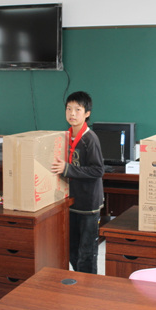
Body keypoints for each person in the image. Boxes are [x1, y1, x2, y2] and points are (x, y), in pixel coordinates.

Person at [51, 91, 104, 274]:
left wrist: (67, 169)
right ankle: (80, 280)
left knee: (86, 252)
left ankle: (88, 285)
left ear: (87, 113)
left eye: (77, 109)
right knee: (71, 248)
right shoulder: (64, 137)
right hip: (70, 201)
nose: (72, 113)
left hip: (88, 204)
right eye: (68, 109)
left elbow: (98, 170)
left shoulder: (90, 139)